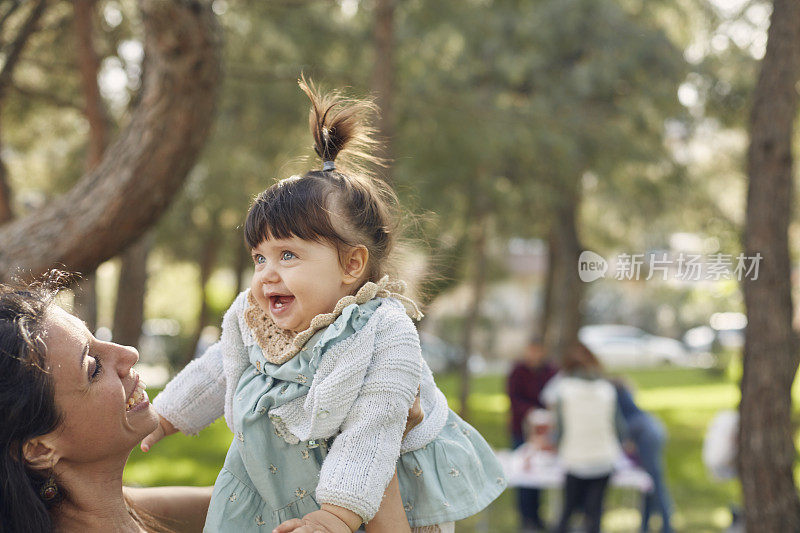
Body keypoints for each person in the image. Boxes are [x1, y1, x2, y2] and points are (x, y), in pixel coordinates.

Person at [144, 77, 507, 533]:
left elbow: (374, 426)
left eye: (288, 255)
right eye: (260, 257)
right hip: (275, 486)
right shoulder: (255, 319)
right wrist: (165, 416)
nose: (266, 274)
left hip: (369, 498)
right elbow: (220, 367)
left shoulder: (382, 329)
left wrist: (338, 514)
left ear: (351, 264)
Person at [0, 274, 214, 532]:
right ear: (39, 450)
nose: (129, 353)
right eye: (93, 368)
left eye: (94, 337)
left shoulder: (117, 508)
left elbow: (253, 502)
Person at [543, 341, 626, 533]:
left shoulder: (564, 389)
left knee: (568, 511)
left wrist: (552, 444)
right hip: (604, 459)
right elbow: (619, 428)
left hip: (575, 460)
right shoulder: (607, 390)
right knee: (594, 514)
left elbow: (560, 431)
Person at [506, 337, 558, 531]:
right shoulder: (517, 371)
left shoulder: (551, 371)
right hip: (522, 429)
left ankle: (537, 517)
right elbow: (514, 398)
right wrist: (530, 412)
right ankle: (525, 519)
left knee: (541, 475)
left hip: (544, 431)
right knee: (523, 474)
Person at [613, 379, 673, 533]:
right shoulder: (621, 391)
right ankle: (645, 526)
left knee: (655, 483)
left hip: (647, 435)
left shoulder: (613, 393)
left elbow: (621, 425)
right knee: (649, 485)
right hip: (651, 428)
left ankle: (667, 526)